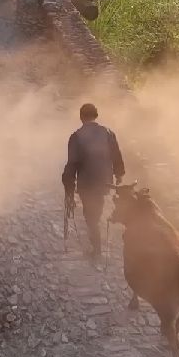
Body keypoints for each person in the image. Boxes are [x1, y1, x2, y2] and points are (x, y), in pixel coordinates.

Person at [62, 102, 125, 260]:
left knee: (91, 217)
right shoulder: (108, 133)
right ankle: (97, 243)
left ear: (81, 117)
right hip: (105, 182)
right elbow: (116, 155)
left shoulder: (76, 136)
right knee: (95, 212)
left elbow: (72, 164)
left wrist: (69, 189)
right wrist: (119, 174)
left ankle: (96, 250)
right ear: (96, 116)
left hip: (87, 183)